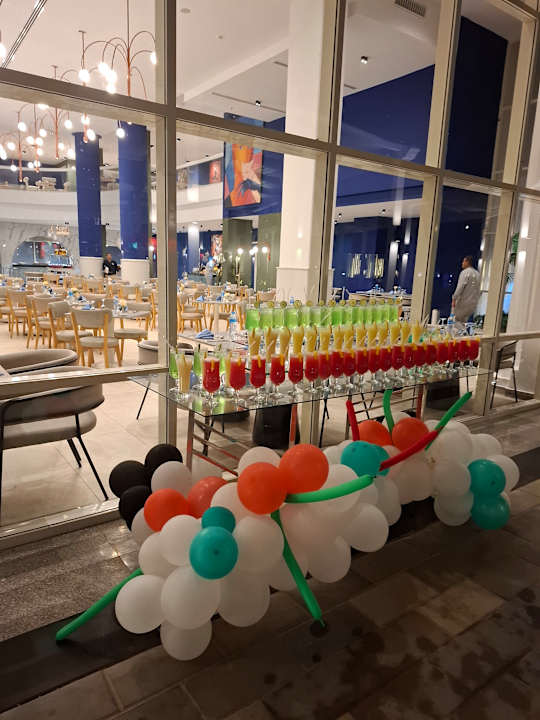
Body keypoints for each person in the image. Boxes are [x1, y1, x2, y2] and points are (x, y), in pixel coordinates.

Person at [452, 255, 481, 324]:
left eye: (463, 261)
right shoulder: (478, 274)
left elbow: (460, 287)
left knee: (455, 322)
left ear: (467, 262)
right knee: (463, 323)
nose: (462, 263)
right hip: (472, 304)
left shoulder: (465, 272)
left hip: (462, 303)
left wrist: (454, 298)